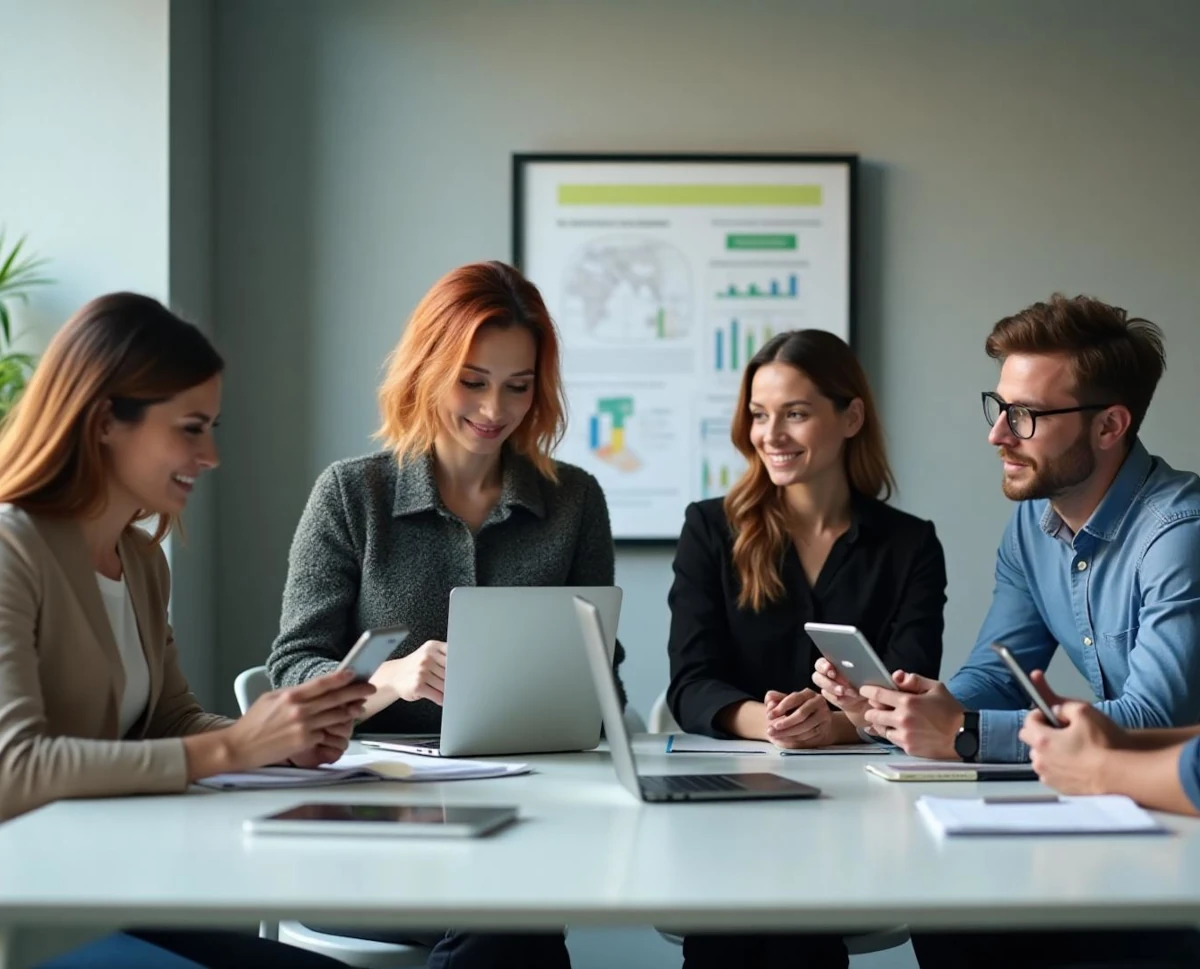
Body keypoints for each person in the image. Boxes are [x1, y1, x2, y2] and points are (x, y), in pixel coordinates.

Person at [267, 260, 623, 969]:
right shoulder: (351, 494)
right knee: (512, 924)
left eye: (519, 386)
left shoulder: (574, 500)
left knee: (510, 911)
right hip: (373, 814)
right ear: (429, 368)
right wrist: (391, 677)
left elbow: (600, 673)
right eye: (474, 381)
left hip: (528, 807)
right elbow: (289, 674)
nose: (496, 408)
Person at [0, 293, 370, 968]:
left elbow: (168, 720)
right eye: (191, 427)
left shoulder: (140, 561)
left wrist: (277, 741)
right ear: (108, 420)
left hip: (107, 893)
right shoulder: (10, 551)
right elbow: (13, 768)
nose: (211, 454)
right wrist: (231, 749)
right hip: (25, 915)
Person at [817, 296, 1200, 768]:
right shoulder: (1033, 522)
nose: (998, 434)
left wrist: (964, 733)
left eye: (1025, 415)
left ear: (1109, 426)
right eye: (999, 408)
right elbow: (996, 677)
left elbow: (1157, 720)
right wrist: (902, 713)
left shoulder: (1180, 536)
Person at [666, 329, 946, 969]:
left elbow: (910, 689)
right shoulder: (711, 529)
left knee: (802, 932)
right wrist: (775, 725)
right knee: (733, 929)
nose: (772, 435)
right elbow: (690, 683)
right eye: (760, 416)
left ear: (850, 416)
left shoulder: (909, 546)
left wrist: (840, 729)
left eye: (795, 413)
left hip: (854, 807)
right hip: (732, 803)